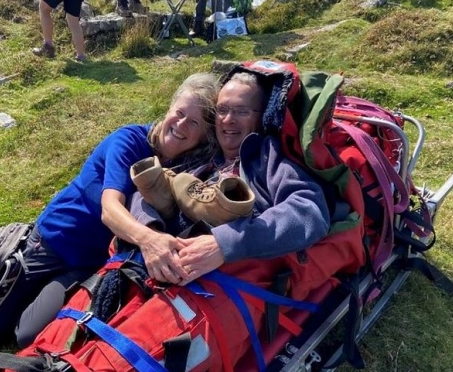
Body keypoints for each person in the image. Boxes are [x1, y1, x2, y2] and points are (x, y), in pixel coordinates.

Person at [0, 72, 220, 352]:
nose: (181, 124)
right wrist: (149, 241)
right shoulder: (130, 141)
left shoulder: (188, 168)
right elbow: (110, 210)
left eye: (194, 122)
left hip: (88, 263)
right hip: (54, 241)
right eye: (180, 113)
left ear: (203, 135)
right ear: (169, 108)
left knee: (26, 336)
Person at [132, 71, 330, 284]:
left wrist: (223, 244)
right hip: (158, 262)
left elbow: (310, 210)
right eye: (222, 110)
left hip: (215, 287)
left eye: (241, 112)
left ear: (260, 116)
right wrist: (152, 236)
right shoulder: (203, 155)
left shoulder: (267, 159)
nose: (228, 120)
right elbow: (141, 195)